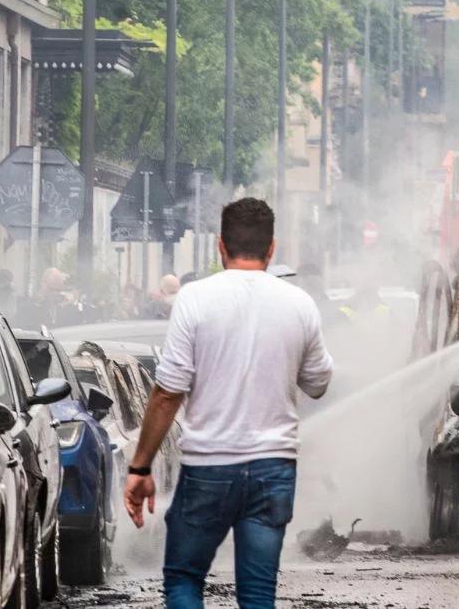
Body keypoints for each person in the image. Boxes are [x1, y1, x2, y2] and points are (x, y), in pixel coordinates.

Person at [123, 198, 335, 609]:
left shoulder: (195, 299)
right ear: (272, 249)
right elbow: (319, 384)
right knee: (258, 595)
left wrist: (140, 467)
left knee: (184, 579)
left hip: (209, 467)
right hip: (274, 469)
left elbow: (168, 392)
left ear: (220, 246)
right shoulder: (300, 304)